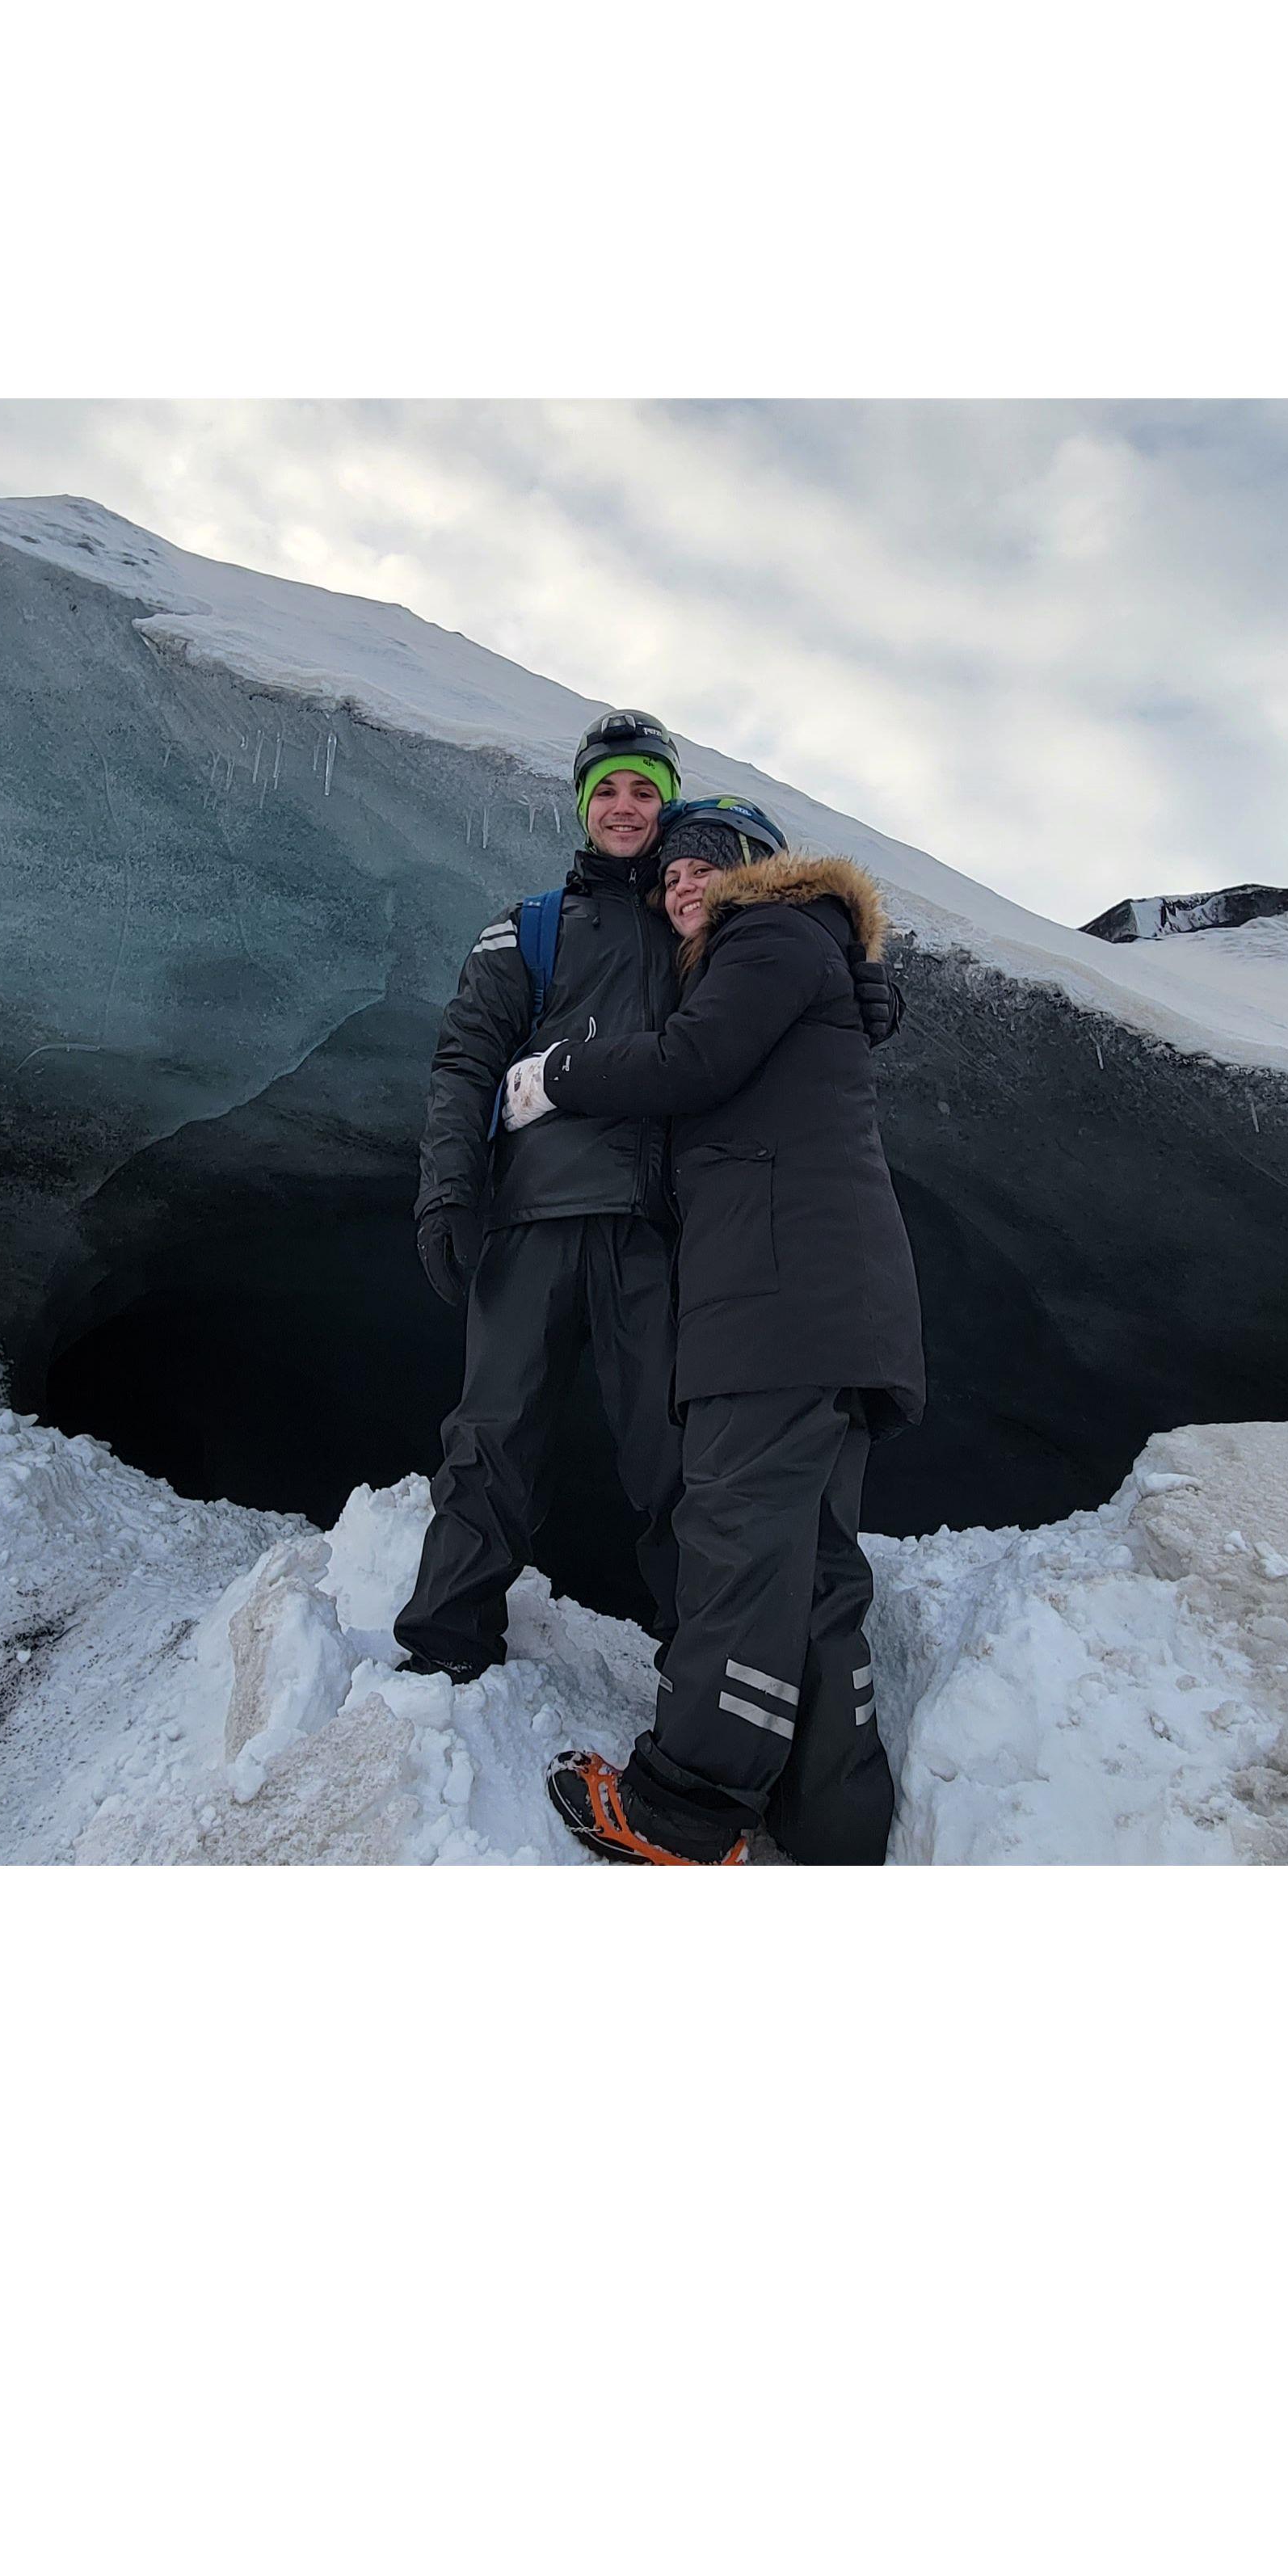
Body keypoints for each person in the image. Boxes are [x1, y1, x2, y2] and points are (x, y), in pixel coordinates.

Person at [503, 797, 924, 1866]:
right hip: (834, 1310)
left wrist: (556, 1074)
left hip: (779, 1304)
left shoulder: (772, 934)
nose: (679, 882)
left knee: (734, 1547)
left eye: (704, 864)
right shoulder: (806, 951)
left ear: (756, 872)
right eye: (668, 874)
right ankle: (831, 1827)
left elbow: (690, 1062)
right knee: (811, 1573)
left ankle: (678, 1812)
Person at [393, 710, 692, 1677]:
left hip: (655, 1231)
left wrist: (856, 983)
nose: (624, 807)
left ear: (669, 804)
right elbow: (463, 1064)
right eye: (607, 788)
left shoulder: (700, 922)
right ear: (581, 802)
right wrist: (447, 1195)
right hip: (531, 1224)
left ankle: (709, 1673)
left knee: (676, 1455)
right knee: (492, 1442)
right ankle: (444, 1654)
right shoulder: (526, 927)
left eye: (644, 789)